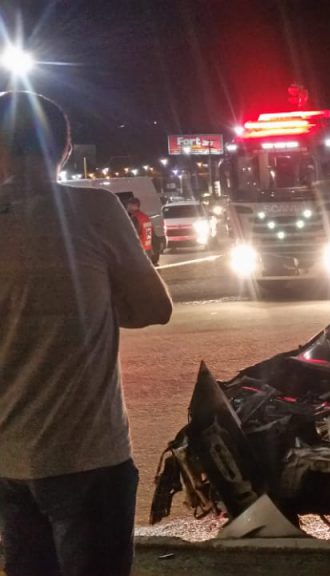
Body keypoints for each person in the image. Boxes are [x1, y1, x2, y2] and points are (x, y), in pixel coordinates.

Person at [0, 91, 173, 576]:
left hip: (9, 464)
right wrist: (87, 307)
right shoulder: (94, 211)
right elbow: (155, 309)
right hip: (89, 458)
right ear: (63, 150)